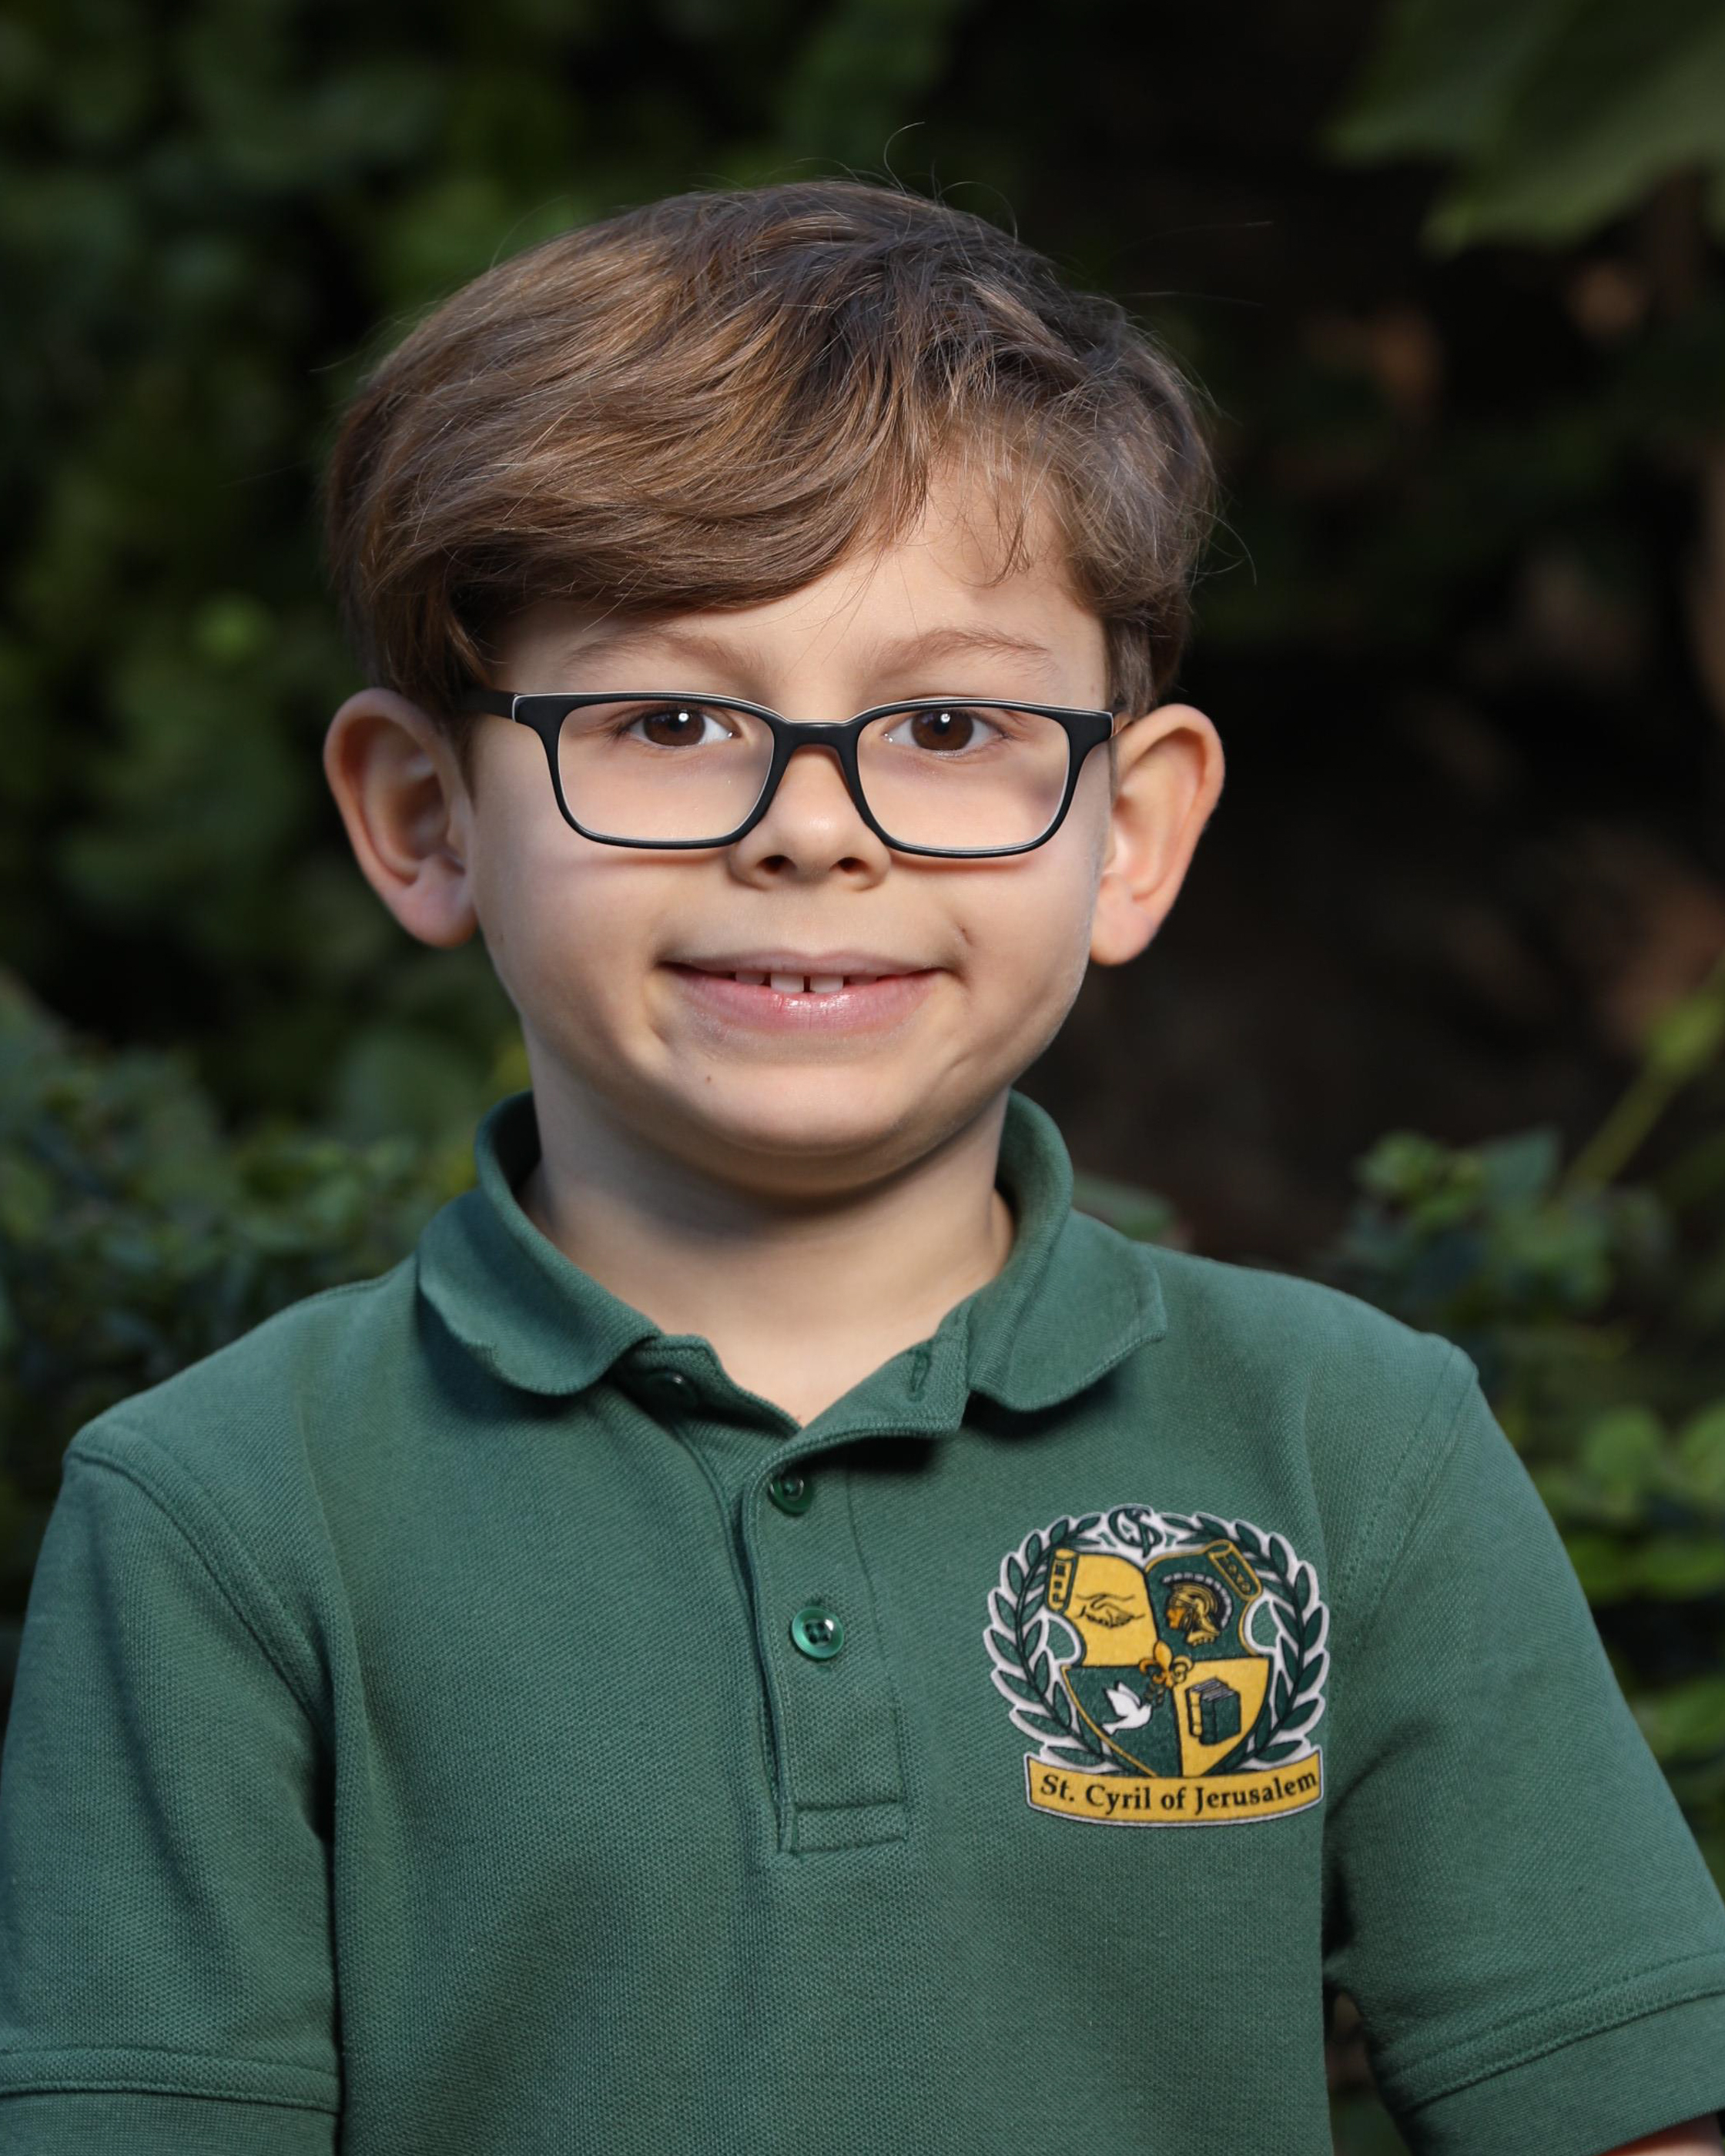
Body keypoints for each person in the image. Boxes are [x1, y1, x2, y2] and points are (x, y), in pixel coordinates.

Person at [1, 178, 1721, 2156]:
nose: (815, 830)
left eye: (950, 722)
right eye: (667, 717)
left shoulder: (1351, 1438)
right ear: (426, 816)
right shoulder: (226, 1506)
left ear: (1132, 832)